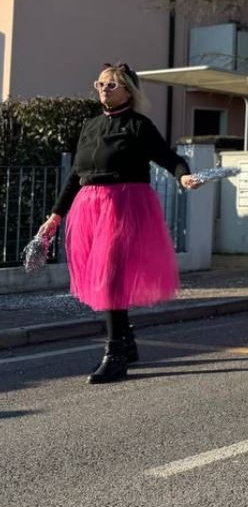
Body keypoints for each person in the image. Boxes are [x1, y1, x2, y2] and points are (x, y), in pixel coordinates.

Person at [41, 62, 201, 384]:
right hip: (90, 207)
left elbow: (169, 157)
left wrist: (183, 175)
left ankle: (115, 354)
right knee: (106, 277)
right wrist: (56, 215)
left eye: (111, 85)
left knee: (111, 277)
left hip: (125, 206)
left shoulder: (139, 126)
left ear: (129, 90)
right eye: (100, 84)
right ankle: (127, 343)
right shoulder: (90, 126)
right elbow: (75, 174)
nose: (103, 89)